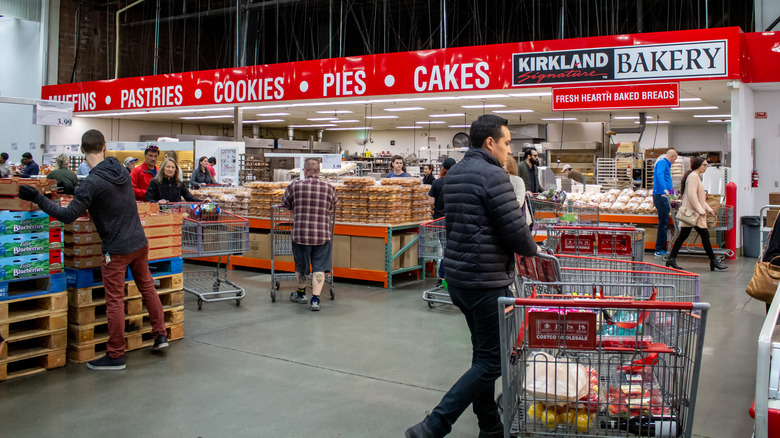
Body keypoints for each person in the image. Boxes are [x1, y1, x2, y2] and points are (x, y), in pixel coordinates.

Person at [406, 115, 538, 438]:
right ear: (490, 143)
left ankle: (489, 426)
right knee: (492, 363)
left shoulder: (456, 174)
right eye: (507, 143)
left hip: (460, 280)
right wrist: (534, 248)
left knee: (482, 356)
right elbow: (516, 233)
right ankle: (433, 426)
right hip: (486, 281)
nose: (510, 150)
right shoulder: (494, 176)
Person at [18, 129, 170, 371]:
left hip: (116, 250)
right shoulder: (120, 169)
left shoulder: (92, 183)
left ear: (81, 150)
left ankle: (116, 354)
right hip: (139, 242)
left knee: (114, 301)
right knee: (147, 287)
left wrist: (38, 197)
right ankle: (160, 335)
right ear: (104, 147)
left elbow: (68, 215)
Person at [280, 158, 337, 312]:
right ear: (319, 171)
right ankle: (315, 300)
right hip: (322, 234)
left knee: (301, 266)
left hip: (301, 234)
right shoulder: (329, 188)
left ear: (305, 171)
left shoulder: (295, 185)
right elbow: (332, 206)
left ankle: (301, 294)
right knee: (319, 267)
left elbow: (285, 203)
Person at [665, 157, 727, 272]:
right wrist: (701, 211)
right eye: (705, 165)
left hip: (693, 214)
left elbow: (700, 197)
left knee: (685, 236)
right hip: (693, 214)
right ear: (699, 165)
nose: (706, 167)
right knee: (704, 236)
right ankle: (713, 261)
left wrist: (708, 209)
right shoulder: (693, 177)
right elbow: (693, 197)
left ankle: (671, 258)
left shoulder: (696, 177)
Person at [428, 157, 457, 286]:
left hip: (439, 220)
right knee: (452, 250)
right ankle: (446, 278)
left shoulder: (437, 183)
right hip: (454, 220)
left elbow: (431, 202)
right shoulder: (457, 183)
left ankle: (442, 278)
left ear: (443, 168)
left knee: (445, 249)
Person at [652, 148, 678, 257]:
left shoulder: (666, 165)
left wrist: (674, 196)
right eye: (675, 159)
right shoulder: (662, 163)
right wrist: (664, 189)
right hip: (661, 195)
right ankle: (659, 249)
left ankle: (662, 247)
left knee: (664, 222)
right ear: (671, 156)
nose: (675, 161)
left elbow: (667, 181)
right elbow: (659, 175)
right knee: (663, 222)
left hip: (665, 194)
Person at [505, 156, 533, 230]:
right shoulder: (497, 181)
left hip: (520, 223)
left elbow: (519, 202)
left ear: (509, 167)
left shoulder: (517, 180)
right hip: (507, 223)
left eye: (502, 165)